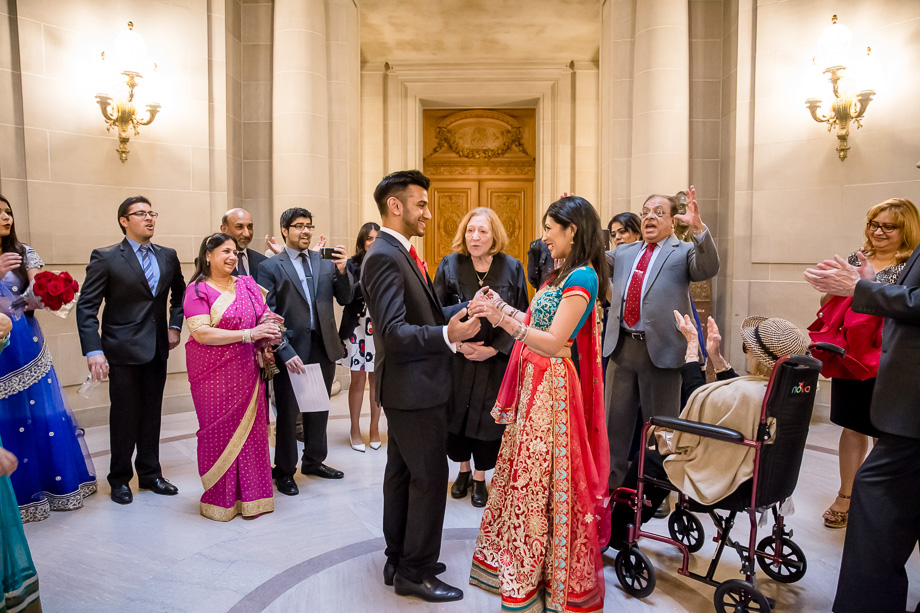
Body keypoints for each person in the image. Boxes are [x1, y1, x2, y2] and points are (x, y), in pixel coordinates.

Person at [468, 195, 610, 613]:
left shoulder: (583, 277)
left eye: (551, 227)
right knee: (523, 475)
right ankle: (526, 565)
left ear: (573, 231)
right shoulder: (558, 274)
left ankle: (547, 576)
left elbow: (552, 343)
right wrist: (502, 307)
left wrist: (501, 322)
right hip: (535, 380)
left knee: (542, 479)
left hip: (552, 387)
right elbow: (537, 325)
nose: (544, 236)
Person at [361, 170, 481, 603]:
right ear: (397, 206)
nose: (429, 213)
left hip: (413, 386)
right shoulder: (384, 255)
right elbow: (393, 332)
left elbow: (422, 313)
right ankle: (416, 572)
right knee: (430, 478)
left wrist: (465, 307)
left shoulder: (402, 252)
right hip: (414, 389)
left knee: (402, 474)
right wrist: (450, 336)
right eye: (422, 204)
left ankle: (400, 557)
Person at [805, 189, 920, 613]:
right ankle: (845, 494)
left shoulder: (910, 262)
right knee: (853, 426)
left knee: (884, 450)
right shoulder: (859, 257)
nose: (878, 231)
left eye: (888, 225)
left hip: (887, 360)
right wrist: (841, 286)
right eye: (874, 223)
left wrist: (862, 286)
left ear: (904, 229)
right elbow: (834, 302)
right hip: (852, 353)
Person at [609, 312, 810, 545]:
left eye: (747, 348)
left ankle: (618, 532)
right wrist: (715, 357)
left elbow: (698, 401)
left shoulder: (747, 395)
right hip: (772, 477)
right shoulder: (787, 392)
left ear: (757, 357)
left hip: (736, 480)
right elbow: (738, 398)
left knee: (651, 457)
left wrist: (692, 350)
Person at [604, 186, 720, 490]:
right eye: (645, 213)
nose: (649, 218)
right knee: (614, 426)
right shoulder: (625, 252)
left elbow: (708, 267)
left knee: (663, 429)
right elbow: (592, 260)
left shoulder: (682, 251)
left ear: (672, 221)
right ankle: (613, 488)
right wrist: (580, 223)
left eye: (658, 213)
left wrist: (699, 228)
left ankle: (660, 490)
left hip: (663, 352)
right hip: (622, 349)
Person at [76, 195, 186, 505]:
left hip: (157, 349)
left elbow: (180, 295)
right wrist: (93, 350)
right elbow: (86, 308)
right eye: (140, 214)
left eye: (152, 213)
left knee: (151, 414)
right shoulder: (107, 257)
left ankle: (150, 474)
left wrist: (175, 326)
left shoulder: (168, 255)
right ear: (124, 220)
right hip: (120, 349)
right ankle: (120, 478)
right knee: (124, 415)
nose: (149, 219)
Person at [0, 194, 96, 521]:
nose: (5, 218)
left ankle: (52, 487)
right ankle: (15, 496)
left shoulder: (23, 252)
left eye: (8, 212)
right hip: (0, 346)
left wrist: (48, 292)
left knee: (40, 412)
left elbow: (37, 295)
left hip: (27, 343)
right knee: (9, 415)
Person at [183, 233, 283, 521]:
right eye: (225, 251)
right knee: (218, 433)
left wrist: (270, 328)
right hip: (212, 376)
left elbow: (266, 315)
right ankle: (221, 500)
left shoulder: (248, 286)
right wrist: (249, 334)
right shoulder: (198, 290)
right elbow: (200, 332)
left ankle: (254, 498)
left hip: (247, 373)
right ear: (208, 255)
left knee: (251, 434)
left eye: (235, 252)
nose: (232, 257)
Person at [433, 208, 529, 508]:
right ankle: (462, 471)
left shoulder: (512, 267)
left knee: (488, 421)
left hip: (495, 360)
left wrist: (493, 348)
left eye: (482, 231)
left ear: (494, 236)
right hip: (458, 359)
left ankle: (479, 477)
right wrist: (458, 344)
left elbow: (522, 315)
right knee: (457, 416)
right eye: (470, 231)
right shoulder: (450, 263)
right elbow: (436, 311)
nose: (475, 237)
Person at [259, 208, 354, 496]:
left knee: (318, 408)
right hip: (291, 348)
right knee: (288, 413)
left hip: (323, 345)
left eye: (309, 226)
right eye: (298, 226)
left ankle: (314, 461)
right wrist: (283, 351)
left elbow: (346, 297)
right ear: (285, 230)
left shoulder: (324, 262)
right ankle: (285, 470)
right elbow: (267, 313)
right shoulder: (271, 266)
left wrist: (342, 271)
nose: (305, 231)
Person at [339, 222, 381, 452]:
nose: (372, 242)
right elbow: (346, 296)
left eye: (376, 238)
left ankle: (374, 428)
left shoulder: (386, 262)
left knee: (376, 380)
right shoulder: (351, 265)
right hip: (356, 328)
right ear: (362, 241)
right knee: (357, 380)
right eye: (369, 238)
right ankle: (355, 429)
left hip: (378, 329)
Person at [220, 208, 269, 284]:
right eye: (239, 227)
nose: (247, 234)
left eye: (249, 227)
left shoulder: (264, 261)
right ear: (224, 229)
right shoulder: (212, 263)